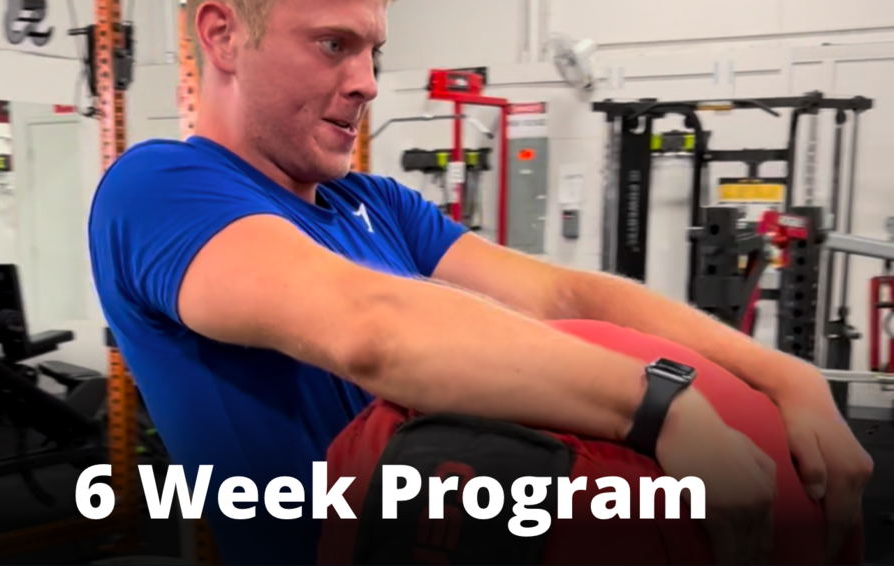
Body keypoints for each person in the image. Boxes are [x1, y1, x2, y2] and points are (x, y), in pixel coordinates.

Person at [87, 0, 873, 564]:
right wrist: (662, 408)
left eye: (372, 51)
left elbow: (564, 296)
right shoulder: (156, 187)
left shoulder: (374, 203)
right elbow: (370, 327)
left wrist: (784, 377)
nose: (366, 82)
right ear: (223, 34)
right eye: (332, 44)